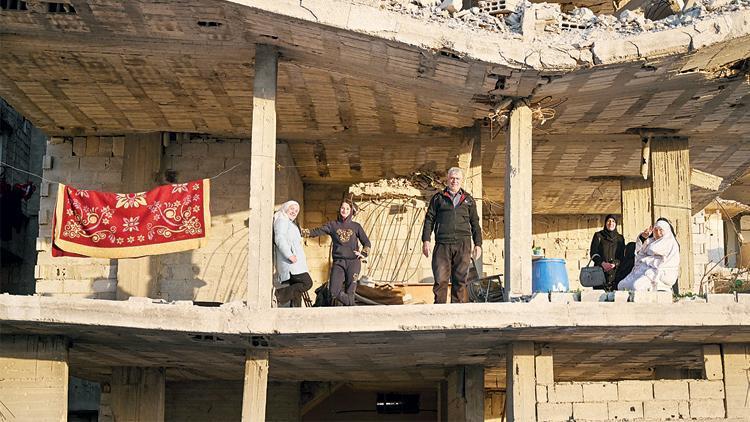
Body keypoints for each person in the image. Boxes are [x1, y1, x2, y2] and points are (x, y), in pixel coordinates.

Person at [421, 167, 482, 304]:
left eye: (457, 178)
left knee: (460, 280)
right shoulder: (438, 198)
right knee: (440, 279)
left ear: (461, 181)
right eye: (452, 178)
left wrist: (478, 244)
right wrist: (426, 240)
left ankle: (457, 311)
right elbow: (429, 219)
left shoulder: (469, 200)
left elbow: (475, 223)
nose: (454, 181)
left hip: (463, 244)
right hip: (443, 244)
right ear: (447, 180)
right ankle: (439, 311)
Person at [303, 199, 371, 306]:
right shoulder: (333, 225)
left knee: (350, 291)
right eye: (343, 208)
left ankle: (350, 314)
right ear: (339, 209)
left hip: (353, 262)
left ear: (351, 211)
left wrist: (363, 253)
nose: (344, 210)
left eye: (347, 208)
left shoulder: (356, 226)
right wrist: (304, 232)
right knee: (333, 290)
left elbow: (366, 242)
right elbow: (318, 231)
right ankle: (351, 304)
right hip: (338, 262)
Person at [617, 219, 680, 291]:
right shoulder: (650, 241)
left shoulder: (670, 242)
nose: (658, 233)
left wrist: (648, 261)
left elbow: (655, 251)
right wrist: (644, 238)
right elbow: (639, 254)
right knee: (621, 285)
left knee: (637, 286)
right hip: (643, 271)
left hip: (658, 273)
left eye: (661, 230)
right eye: (655, 230)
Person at [273, 200, 313, 307]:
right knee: (307, 283)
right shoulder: (282, 220)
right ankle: (279, 295)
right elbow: (279, 238)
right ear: (285, 208)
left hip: (296, 263)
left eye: (296, 210)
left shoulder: (290, 223)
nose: (294, 212)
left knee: (296, 289)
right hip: (290, 263)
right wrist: (289, 255)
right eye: (292, 209)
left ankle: (295, 310)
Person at [589, 214, 626, 291]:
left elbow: (622, 256)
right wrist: (602, 263)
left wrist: (614, 264)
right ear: (605, 223)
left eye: (613, 221)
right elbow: (593, 253)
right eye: (608, 221)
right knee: (599, 298)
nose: (610, 223)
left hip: (615, 274)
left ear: (616, 224)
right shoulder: (598, 236)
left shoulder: (620, 238)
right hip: (599, 272)